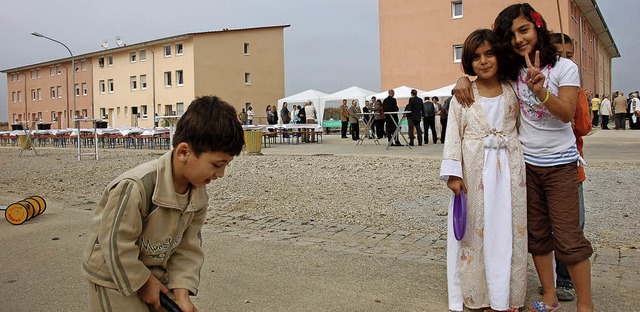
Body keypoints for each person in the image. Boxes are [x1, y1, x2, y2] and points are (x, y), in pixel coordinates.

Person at [453, 4, 594, 311]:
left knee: (569, 236)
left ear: (538, 27)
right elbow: (481, 75)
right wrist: (461, 81)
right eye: (511, 34)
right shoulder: (512, 71)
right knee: (538, 234)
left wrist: (542, 92)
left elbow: (567, 114)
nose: (518, 39)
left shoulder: (564, 68)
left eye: (524, 30)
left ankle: (586, 305)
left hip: (559, 163)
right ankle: (549, 295)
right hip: (524, 165)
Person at [82, 95, 244, 312]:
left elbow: (188, 247)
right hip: (114, 278)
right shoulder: (135, 187)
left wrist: (181, 291)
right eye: (216, 165)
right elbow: (115, 244)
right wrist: (144, 282)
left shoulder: (198, 193)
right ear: (184, 152)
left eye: (226, 166)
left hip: (155, 274)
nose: (221, 174)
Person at [441, 29, 527, 312]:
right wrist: (454, 174)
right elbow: (453, 134)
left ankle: (506, 295)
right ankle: (479, 295)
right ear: (468, 62)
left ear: (499, 54)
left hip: (509, 174)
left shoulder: (513, 90)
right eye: (476, 57)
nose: (484, 61)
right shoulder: (462, 97)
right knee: (476, 232)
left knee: (507, 231)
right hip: (475, 173)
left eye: (489, 53)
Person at [549, 32, 593, 302]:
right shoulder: (538, 83)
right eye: (558, 55)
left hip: (570, 168)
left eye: (569, 56)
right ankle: (551, 281)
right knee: (543, 228)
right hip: (540, 166)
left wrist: (572, 98)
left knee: (572, 226)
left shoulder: (575, 87)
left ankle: (565, 279)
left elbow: (583, 126)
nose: (564, 61)